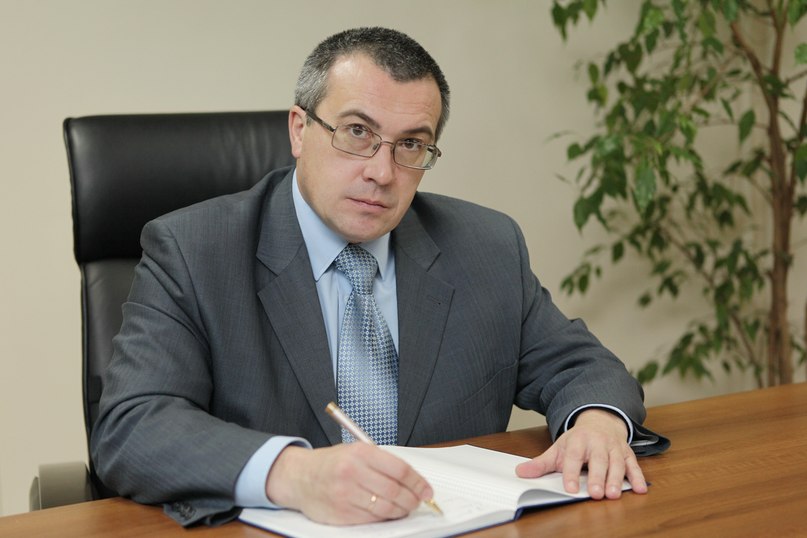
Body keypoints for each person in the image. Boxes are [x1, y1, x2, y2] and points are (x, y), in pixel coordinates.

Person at [90, 26, 667, 527]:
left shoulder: (485, 246)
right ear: (299, 129)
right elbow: (133, 426)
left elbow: (581, 366)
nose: (382, 172)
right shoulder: (195, 251)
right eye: (357, 132)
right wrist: (294, 473)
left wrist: (596, 421)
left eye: (411, 145)